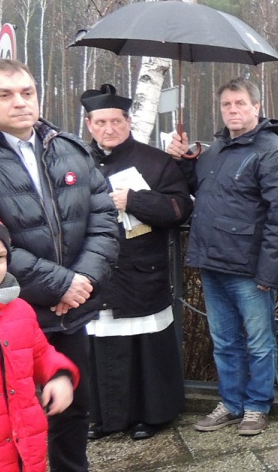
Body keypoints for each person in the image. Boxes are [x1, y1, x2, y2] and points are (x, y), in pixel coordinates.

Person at [0, 58, 119, 472]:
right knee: (3, 422)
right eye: (5, 95)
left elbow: (103, 218)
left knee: (73, 411)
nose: (20, 103)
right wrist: (60, 283)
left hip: (71, 313)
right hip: (0, 315)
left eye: (27, 93)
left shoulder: (67, 147)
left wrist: (82, 281)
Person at [166, 78, 278, 437]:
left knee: (258, 342)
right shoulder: (215, 150)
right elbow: (196, 187)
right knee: (224, 341)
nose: (233, 110)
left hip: (250, 268)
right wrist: (181, 160)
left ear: (257, 107)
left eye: (240, 103)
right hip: (213, 263)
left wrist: (268, 273)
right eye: (227, 105)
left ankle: (256, 406)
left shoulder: (273, 152)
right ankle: (232, 402)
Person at [81, 84, 193, 441]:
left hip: (142, 271)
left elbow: (179, 208)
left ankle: (152, 415)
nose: (108, 129)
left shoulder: (154, 160)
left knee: (145, 348)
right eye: (101, 122)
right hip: (94, 272)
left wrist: (134, 201)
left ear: (128, 121)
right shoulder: (76, 160)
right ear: (89, 124)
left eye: (116, 121)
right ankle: (104, 417)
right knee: (99, 347)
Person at [0, 204, 80, 471]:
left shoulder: (18, 309)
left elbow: (40, 353)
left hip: (25, 448)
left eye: (0, 257)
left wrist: (58, 376)